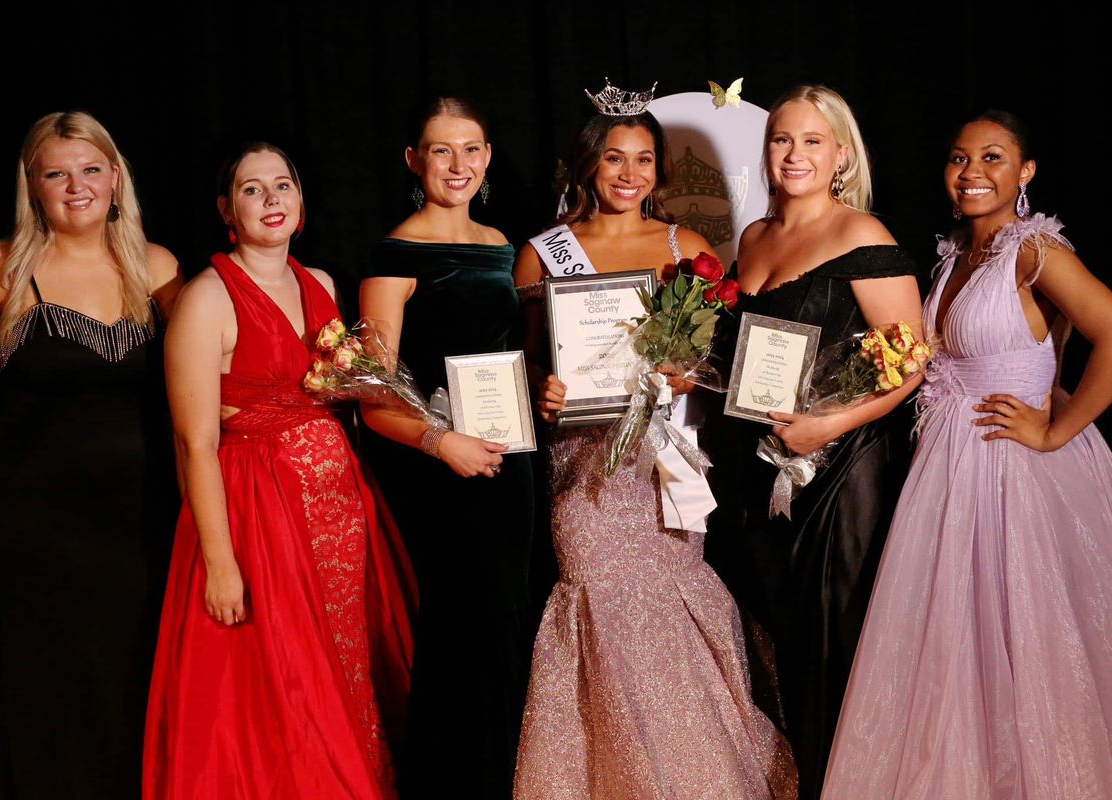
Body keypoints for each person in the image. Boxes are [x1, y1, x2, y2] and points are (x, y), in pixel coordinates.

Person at [822, 111, 1112, 799]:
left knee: (1029, 642)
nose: (971, 172)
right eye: (958, 159)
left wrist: (1053, 429)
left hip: (1014, 474)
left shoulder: (1035, 252)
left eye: (992, 158)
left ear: (1025, 172)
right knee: (957, 650)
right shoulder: (954, 253)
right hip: (946, 473)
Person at [512, 86, 797, 800]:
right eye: (614, 158)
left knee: (668, 605)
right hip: (583, 468)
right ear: (588, 166)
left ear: (658, 172)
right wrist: (542, 391)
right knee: (595, 601)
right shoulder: (542, 255)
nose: (629, 173)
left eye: (643, 159)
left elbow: (712, 376)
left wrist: (684, 377)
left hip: (661, 465)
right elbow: (528, 369)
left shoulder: (686, 249)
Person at [143, 143, 415, 800]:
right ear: (226, 210)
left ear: (301, 202)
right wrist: (221, 563)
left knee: (346, 664)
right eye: (252, 189)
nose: (271, 200)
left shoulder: (321, 284)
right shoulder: (206, 299)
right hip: (259, 515)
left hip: (342, 514)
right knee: (284, 679)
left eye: (283, 186)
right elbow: (195, 441)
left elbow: (358, 395)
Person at [701, 84, 924, 800]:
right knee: (776, 639)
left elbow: (912, 365)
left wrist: (829, 426)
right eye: (782, 140)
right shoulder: (754, 239)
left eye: (811, 142)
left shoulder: (865, 235)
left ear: (840, 156)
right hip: (757, 469)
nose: (794, 154)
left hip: (842, 471)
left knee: (833, 642)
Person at [0, 111, 181, 798]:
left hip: (139, 525)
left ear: (116, 178)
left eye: (90, 169)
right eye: (55, 173)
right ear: (33, 187)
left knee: (133, 687)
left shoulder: (157, 268)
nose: (76, 186)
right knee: (49, 698)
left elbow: (221, 376)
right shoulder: (2, 266)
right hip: (34, 535)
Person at [358, 97, 535, 798]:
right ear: (413, 160)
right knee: (462, 640)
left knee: (507, 630)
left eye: (471, 149)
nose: (457, 165)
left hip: (512, 465)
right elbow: (373, 400)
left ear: (488, 156)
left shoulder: (500, 244)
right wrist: (442, 443)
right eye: (441, 150)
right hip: (445, 472)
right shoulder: (394, 255)